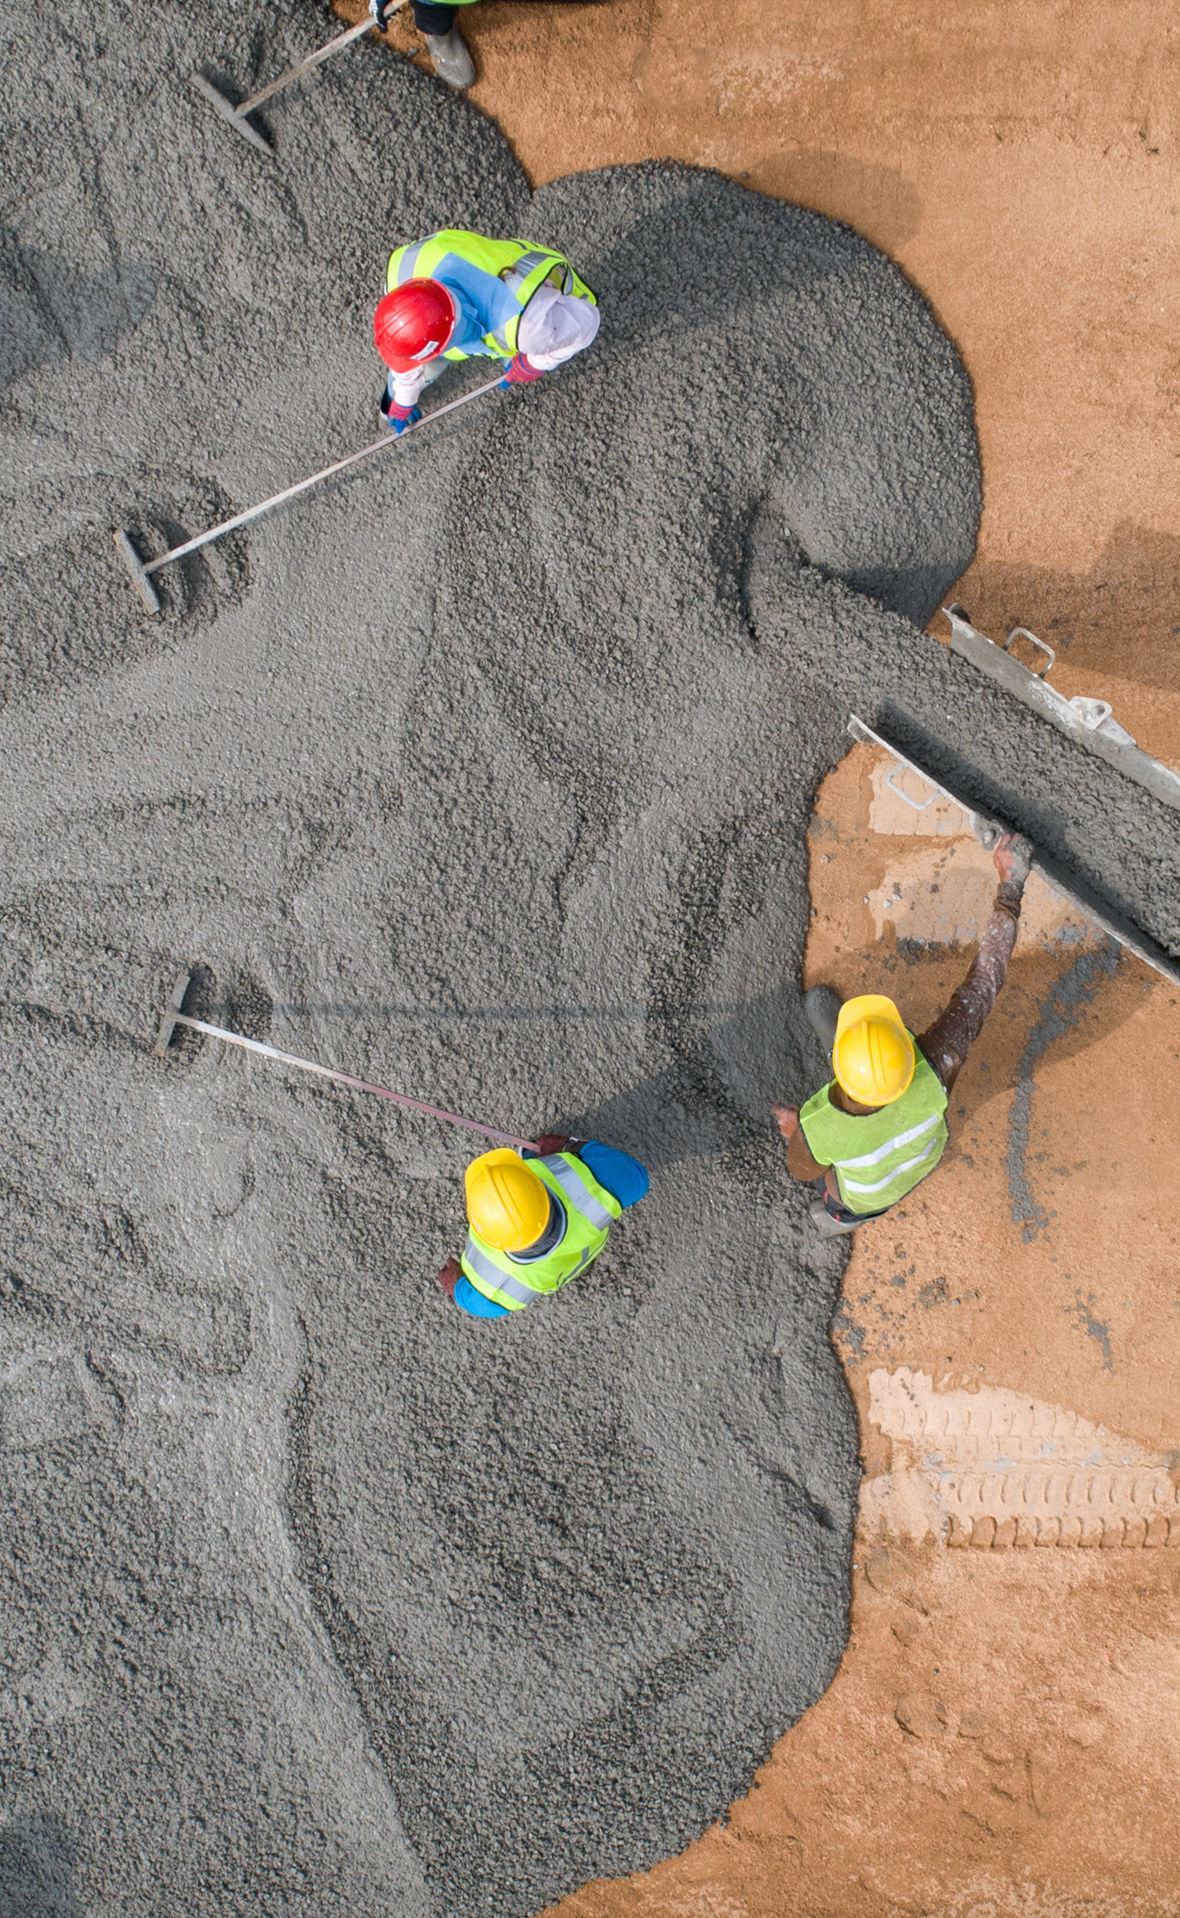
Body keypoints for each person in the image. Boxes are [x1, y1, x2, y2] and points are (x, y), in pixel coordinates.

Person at [773, 832, 1033, 1238]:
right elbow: (984, 983)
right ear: (907, 1055)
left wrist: (797, 1134)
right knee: (885, 1167)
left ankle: (842, 1217)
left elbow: (801, 1169)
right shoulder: (936, 1067)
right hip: (918, 1163)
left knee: (834, 1189)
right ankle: (853, 1210)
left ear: (841, 1068)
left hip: (862, 1195)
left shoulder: (817, 1129)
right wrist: (1010, 887)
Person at [373, 228, 599, 433]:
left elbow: (587, 323)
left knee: (518, 344)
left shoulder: (528, 326)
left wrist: (536, 362)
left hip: (535, 295)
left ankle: (511, 353)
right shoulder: (402, 272)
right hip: (493, 285)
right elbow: (409, 337)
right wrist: (404, 396)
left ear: (446, 343)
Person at [437, 1135, 649, 1316]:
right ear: (537, 1188)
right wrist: (567, 1146)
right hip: (589, 1231)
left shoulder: (497, 1290)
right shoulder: (591, 1189)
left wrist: (457, 1286)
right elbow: (636, 1176)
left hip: (565, 1266)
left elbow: (478, 1304)